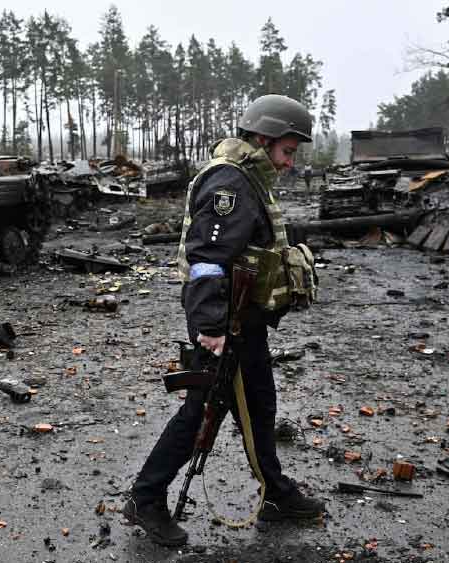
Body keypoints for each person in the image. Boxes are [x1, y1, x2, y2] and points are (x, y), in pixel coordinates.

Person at [123, 94, 324, 547]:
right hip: (224, 324)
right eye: (288, 151)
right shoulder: (230, 185)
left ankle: (275, 494)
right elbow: (207, 261)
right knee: (199, 412)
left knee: (259, 407)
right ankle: (146, 498)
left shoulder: (251, 178)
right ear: (263, 138)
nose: (290, 162)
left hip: (244, 322)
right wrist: (210, 327)